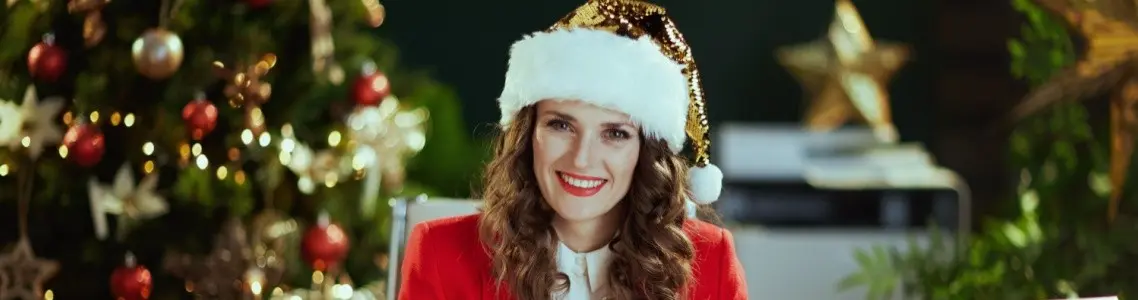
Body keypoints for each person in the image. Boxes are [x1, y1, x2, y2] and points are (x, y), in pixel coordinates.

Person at [398, 0, 747, 299]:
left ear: (645, 152)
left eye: (615, 134)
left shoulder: (711, 259)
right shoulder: (440, 252)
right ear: (527, 134)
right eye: (561, 125)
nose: (582, 158)